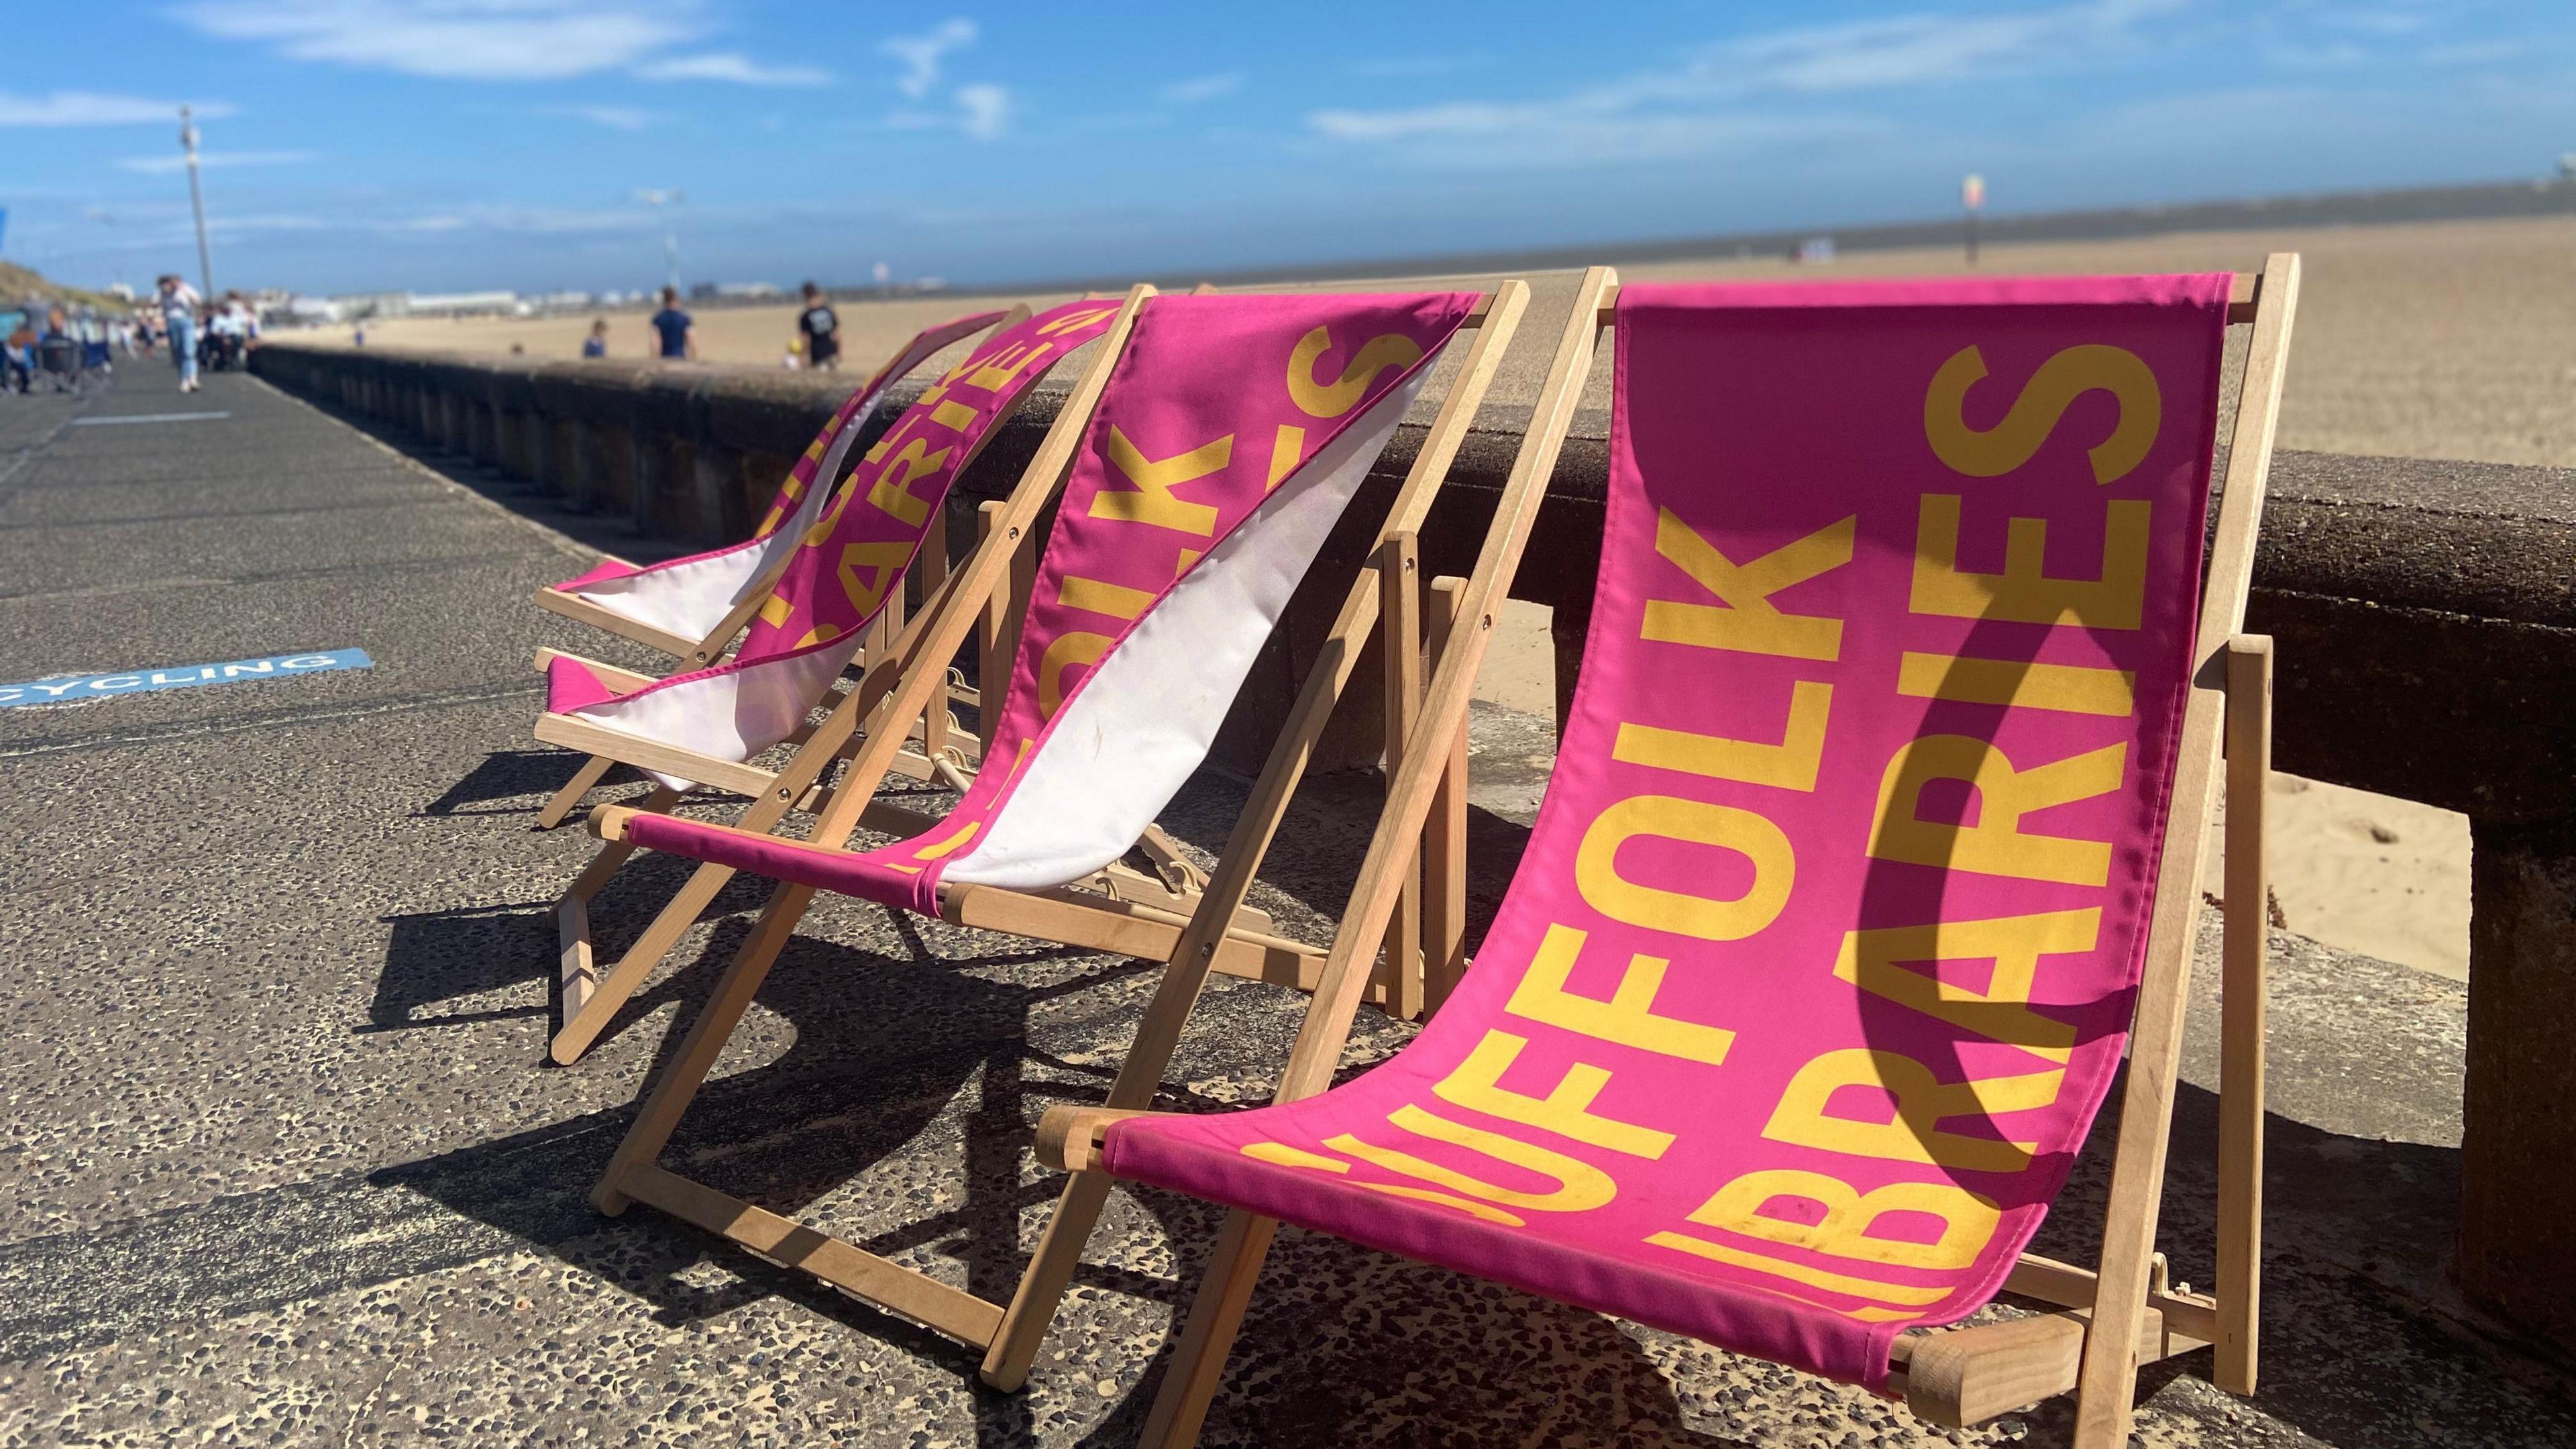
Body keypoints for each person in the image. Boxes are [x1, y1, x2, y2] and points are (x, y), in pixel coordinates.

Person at [157, 275, 202, 392]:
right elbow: (155, 303)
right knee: (178, 351)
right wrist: (164, 293)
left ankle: (192, 379)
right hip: (171, 321)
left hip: (187, 320)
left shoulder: (185, 289)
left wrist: (184, 293)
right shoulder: (163, 292)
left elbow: (197, 301)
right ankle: (184, 380)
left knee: (189, 351)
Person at [795, 282, 839, 372]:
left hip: (818, 356)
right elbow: (836, 335)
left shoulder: (806, 316)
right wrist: (839, 353)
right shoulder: (828, 311)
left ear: (805, 296)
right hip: (832, 353)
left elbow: (806, 339)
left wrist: (802, 358)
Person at [647, 287, 694, 361]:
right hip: (680, 357)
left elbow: (655, 343)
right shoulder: (684, 318)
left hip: (664, 359)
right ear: (676, 298)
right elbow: (691, 339)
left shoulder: (658, 319)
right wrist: (693, 358)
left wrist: (654, 360)